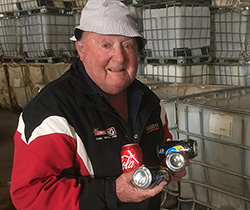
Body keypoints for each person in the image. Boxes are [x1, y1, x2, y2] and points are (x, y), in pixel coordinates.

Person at [10, 0, 187, 209]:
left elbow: (160, 146)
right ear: (81, 49)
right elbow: (30, 195)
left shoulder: (149, 103)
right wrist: (112, 193)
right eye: (106, 45)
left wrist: (168, 162)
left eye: (128, 45)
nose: (119, 58)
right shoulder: (52, 113)